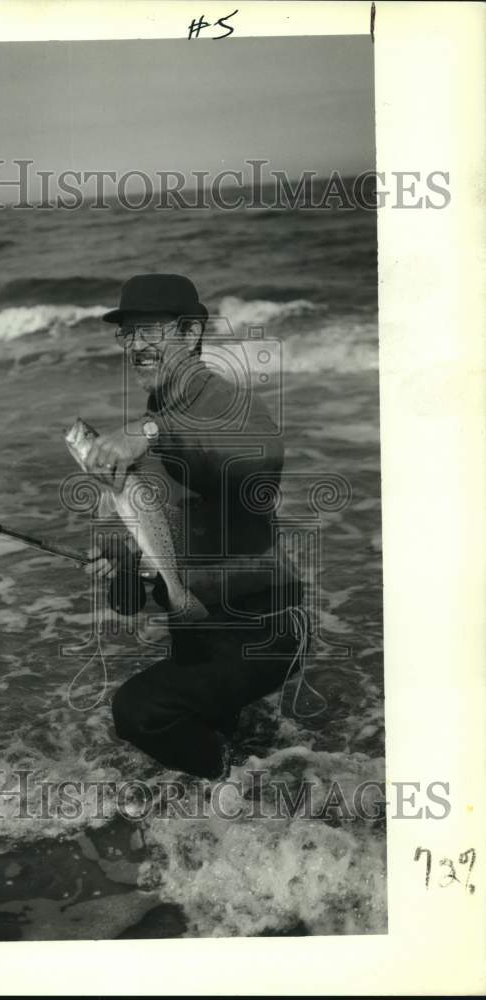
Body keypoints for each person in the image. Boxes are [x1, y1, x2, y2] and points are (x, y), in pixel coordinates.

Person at [83, 273, 307, 780]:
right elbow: (138, 591)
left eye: (150, 332)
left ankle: (247, 789)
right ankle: (248, 796)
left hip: (261, 632)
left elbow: (261, 456)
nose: (136, 346)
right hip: (205, 634)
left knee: (138, 710)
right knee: (214, 740)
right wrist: (125, 566)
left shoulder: (218, 398)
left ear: (189, 333)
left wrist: (150, 432)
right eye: (128, 333)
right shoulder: (162, 409)